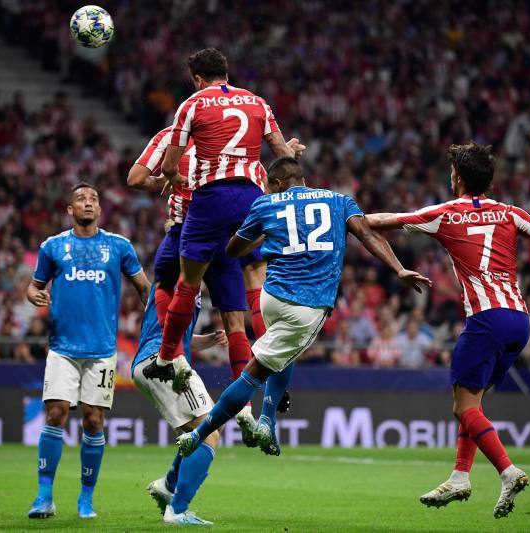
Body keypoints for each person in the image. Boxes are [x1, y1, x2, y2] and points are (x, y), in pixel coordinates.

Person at [366, 142, 530, 518]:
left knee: (462, 407)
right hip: (519, 322)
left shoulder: (445, 213)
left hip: (486, 319)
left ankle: (507, 471)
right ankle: (459, 477)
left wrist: (347, 216)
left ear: (456, 177)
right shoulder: (510, 213)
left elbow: (379, 222)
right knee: (472, 405)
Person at [176, 157, 430, 459]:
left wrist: (263, 233)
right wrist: (398, 269)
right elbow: (367, 234)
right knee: (255, 372)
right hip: (308, 306)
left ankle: (268, 421)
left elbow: (232, 250)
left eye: (272, 187)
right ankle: (200, 434)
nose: (270, 193)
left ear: (281, 182)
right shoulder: (338, 201)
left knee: (284, 353)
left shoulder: (266, 206)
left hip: (271, 297)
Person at [128, 124, 302, 439]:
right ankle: (251, 404)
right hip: (232, 234)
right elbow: (262, 184)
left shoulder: (169, 136)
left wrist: (166, 180)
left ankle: (172, 358)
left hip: (189, 230)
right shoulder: (236, 143)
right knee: (239, 318)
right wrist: (287, 155)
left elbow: (136, 179)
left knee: (170, 286)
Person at [144, 48, 300, 393]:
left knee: (189, 279)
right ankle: (271, 363)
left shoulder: (192, 104)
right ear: (226, 73)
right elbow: (283, 158)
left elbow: (171, 165)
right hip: (251, 197)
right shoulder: (258, 103)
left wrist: (173, 177)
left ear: (198, 79)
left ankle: (168, 357)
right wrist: (291, 156)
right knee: (256, 276)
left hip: (211, 197)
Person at [26, 182, 150, 520]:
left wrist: (158, 322)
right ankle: (44, 497)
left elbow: (145, 289)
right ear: (70, 210)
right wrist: (33, 294)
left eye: (94, 199)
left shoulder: (118, 246)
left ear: (100, 209)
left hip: (102, 351)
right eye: (81, 199)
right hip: (62, 348)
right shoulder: (53, 247)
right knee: (56, 414)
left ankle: (86, 499)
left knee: (94, 421)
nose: (88, 203)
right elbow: (33, 286)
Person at [132, 283, 227, 525]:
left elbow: (177, 333)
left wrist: (209, 340)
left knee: (211, 427)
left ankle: (168, 485)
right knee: (210, 433)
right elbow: (167, 330)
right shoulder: (177, 279)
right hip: (164, 361)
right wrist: (173, 361)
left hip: (156, 359)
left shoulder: (186, 284)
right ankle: (177, 510)